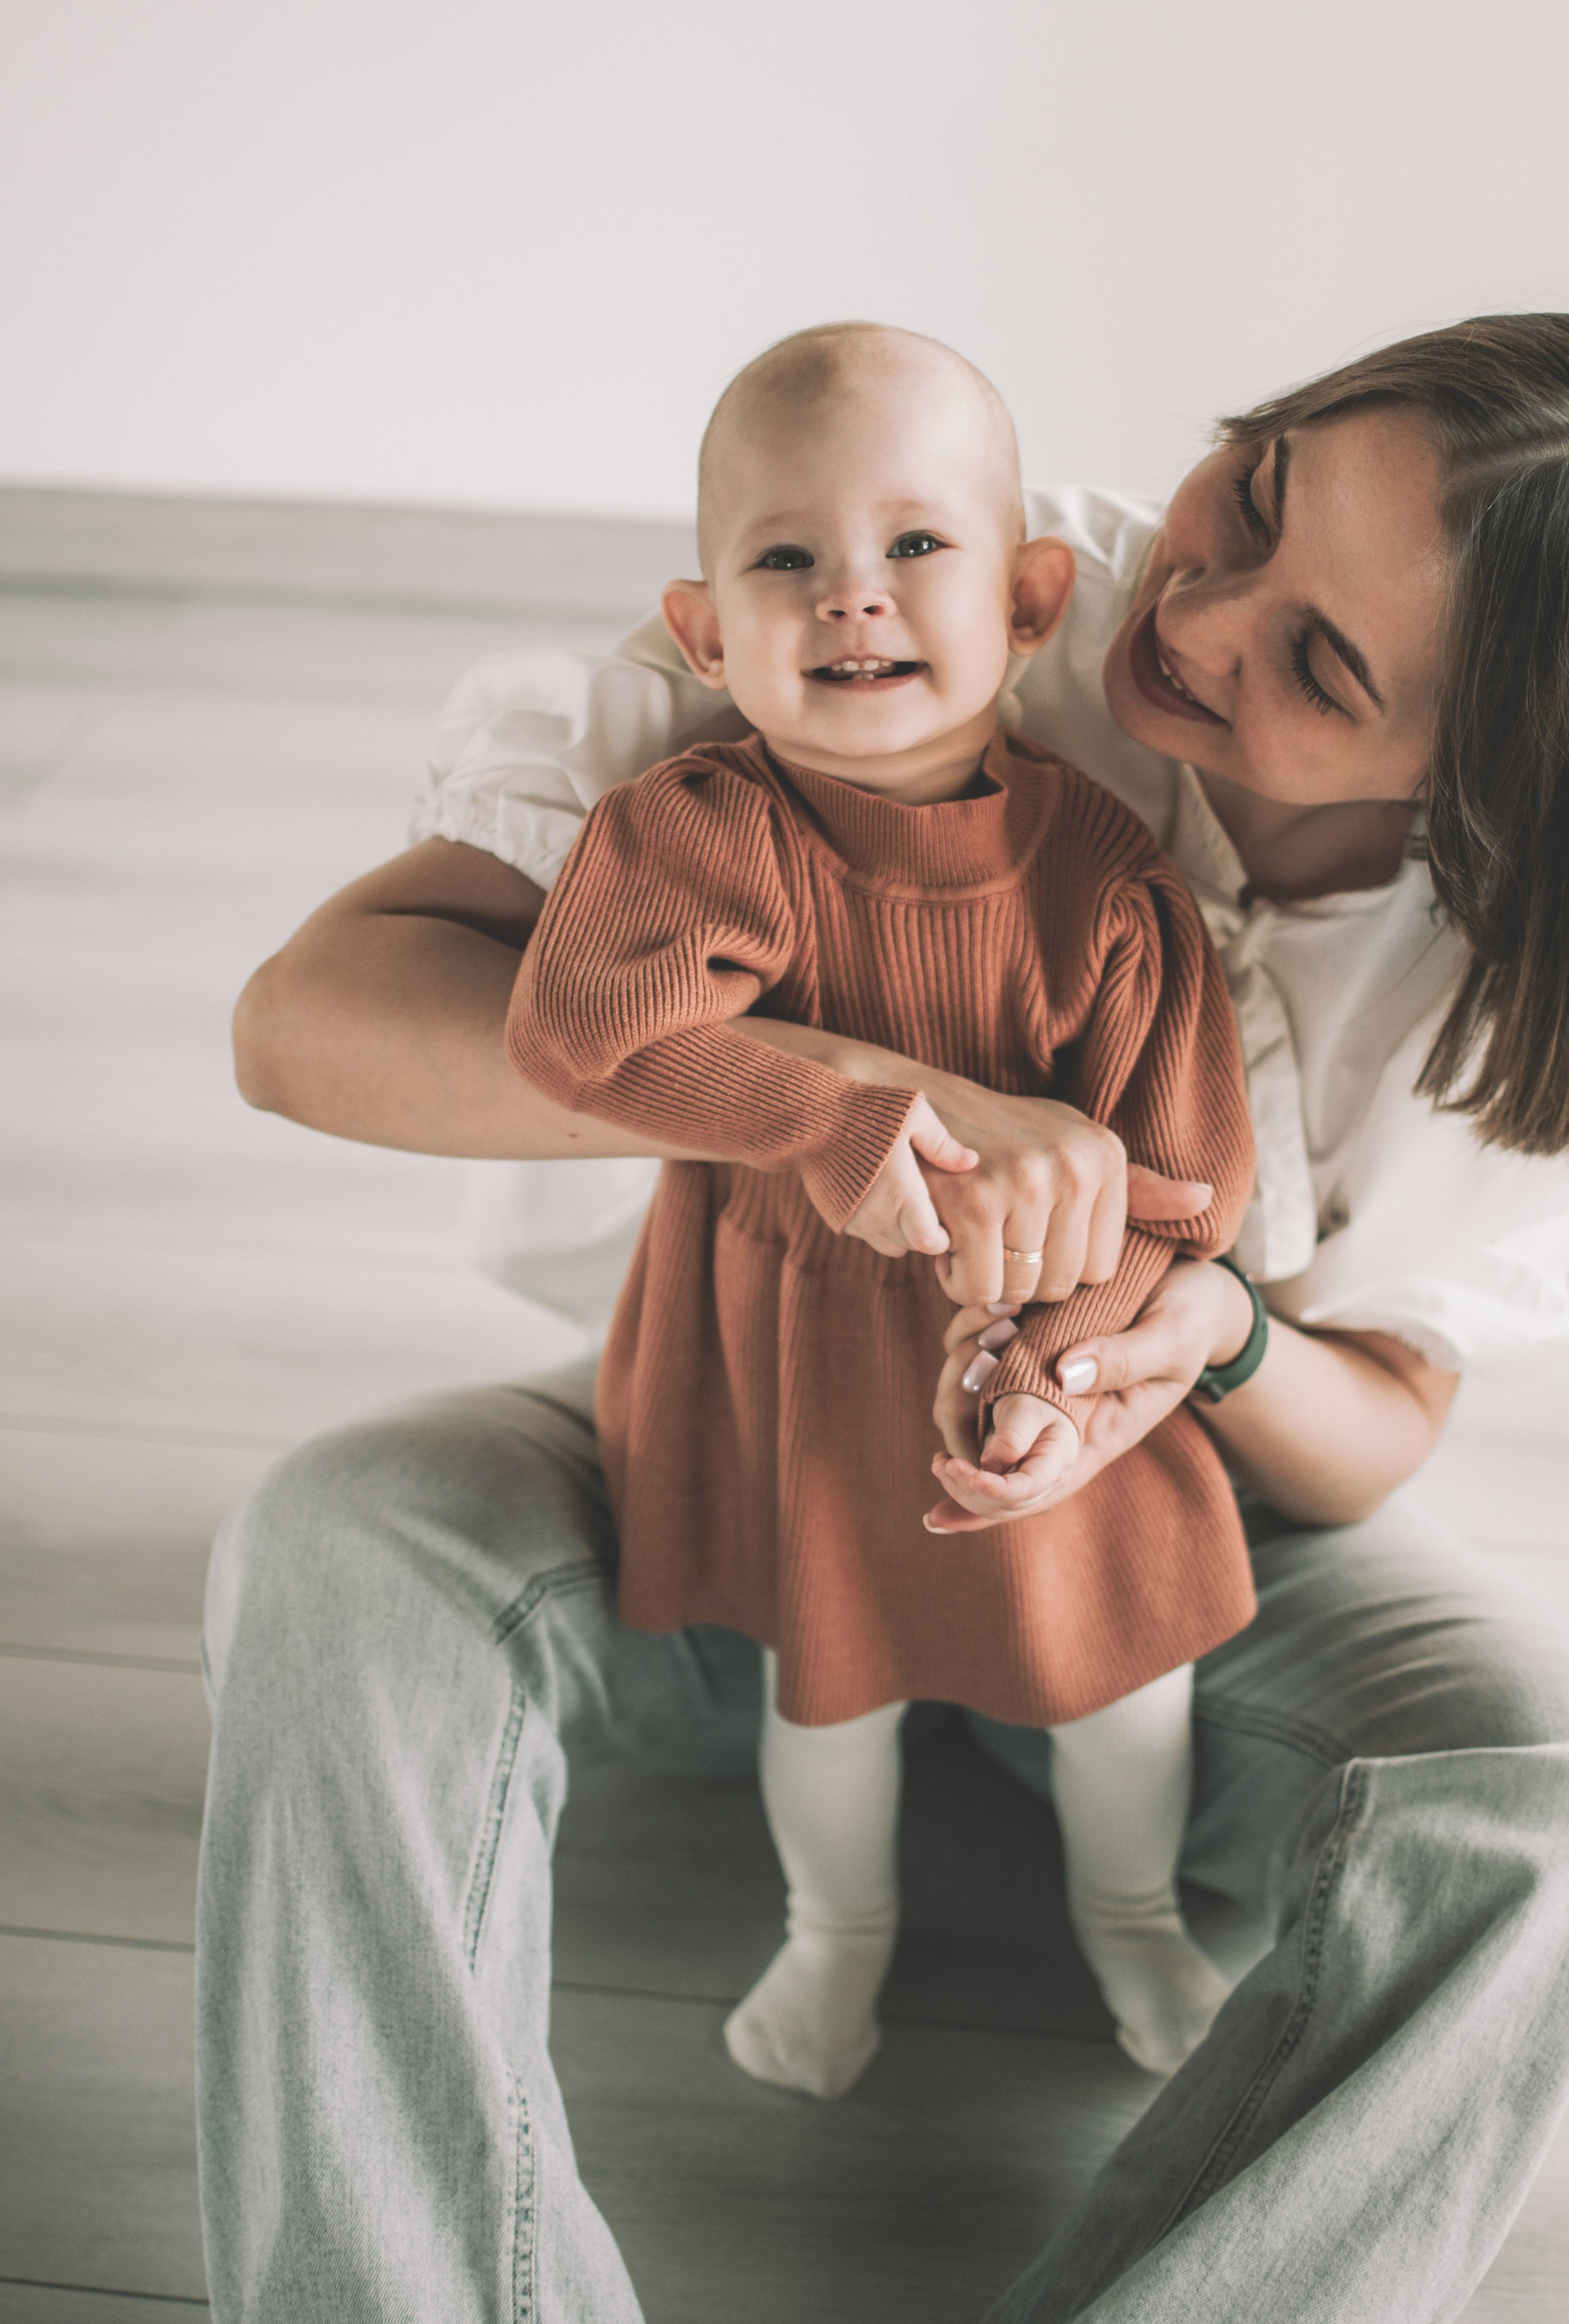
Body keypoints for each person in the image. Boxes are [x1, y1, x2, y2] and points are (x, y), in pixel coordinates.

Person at [208, 312, 1569, 2322]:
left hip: (1169, 1537)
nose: (1195, 609)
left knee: (1532, 1826)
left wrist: (1210, 1342)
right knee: (336, 1542)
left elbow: (1384, 1418)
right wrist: (847, 1099)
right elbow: (303, 1027)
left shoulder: (1508, 975)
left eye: (1326, 665)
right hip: (732, 1447)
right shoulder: (923, 571)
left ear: (1475, 792)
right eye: (1257, 492)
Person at [507, 322, 1259, 2099]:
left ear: (1029, 603)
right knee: (825, 1676)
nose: (854, 599)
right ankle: (835, 1930)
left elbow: (1189, 1174)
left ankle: (1133, 1914)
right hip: (801, 1338)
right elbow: (582, 1030)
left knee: (1119, 1680)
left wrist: (1056, 1363)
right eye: (788, 561)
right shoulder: (699, 832)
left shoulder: (1105, 874)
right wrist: (847, 1111)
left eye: (917, 547)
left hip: (1048, 1361)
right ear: (706, 634)